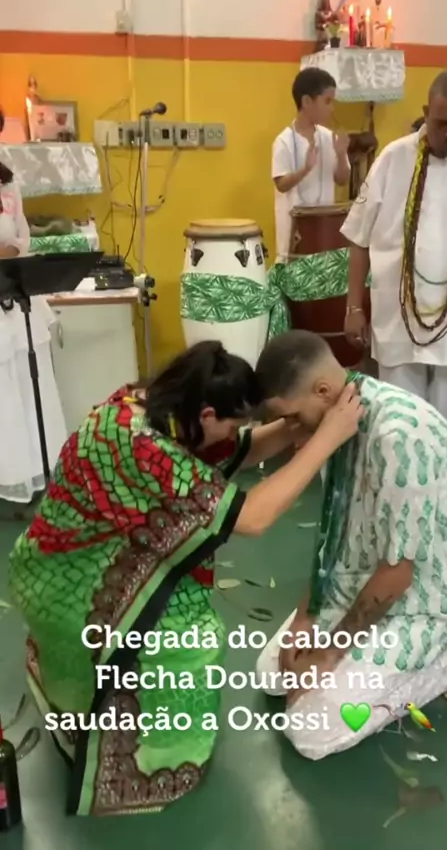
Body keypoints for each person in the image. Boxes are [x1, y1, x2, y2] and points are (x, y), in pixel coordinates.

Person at [8, 340, 362, 815]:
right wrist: (326, 438)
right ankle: (152, 761)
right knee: (192, 643)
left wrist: (296, 422)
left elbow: (236, 448)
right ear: (209, 414)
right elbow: (253, 517)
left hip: (103, 544)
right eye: (233, 423)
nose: (236, 434)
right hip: (72, 570)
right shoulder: (143, 446)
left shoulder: (158, 406)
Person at [254, 330, 447, 762]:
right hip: (353, 583)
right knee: (271, 675)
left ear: (323, 390)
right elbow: (332, 531)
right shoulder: (340, 417)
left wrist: (327, 654)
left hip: (418, 606)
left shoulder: (398, 437)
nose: (292, 431)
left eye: (293, 417)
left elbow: (398, 575)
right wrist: (305, 617)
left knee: (308, 732)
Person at [342, 69, 447, 448]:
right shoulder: (394, 157)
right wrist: (354, 307)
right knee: (400, 436)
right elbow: (359, 239)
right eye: (442, 123)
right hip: (399, 324)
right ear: (426, 111)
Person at [0, 107, 67, 503]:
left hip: (12, 291)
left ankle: (27, 470)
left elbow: (22, 234)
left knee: (26, 385)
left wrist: (13, 249)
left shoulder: (7, 181)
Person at [272, 67, 350, 262]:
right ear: (307, 101)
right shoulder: (284, 141)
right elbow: (281, 185)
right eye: (327, 101)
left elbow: (342, 179)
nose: (332, 108)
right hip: (295, 237)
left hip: (324, 234)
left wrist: (341, 155)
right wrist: (305, 169)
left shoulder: (329, 137)